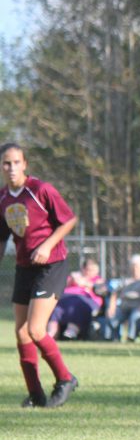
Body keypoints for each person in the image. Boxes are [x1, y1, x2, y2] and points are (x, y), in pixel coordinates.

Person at [0, 142, 80, 407]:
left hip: (51, 265)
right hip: (25, 267)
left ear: (25, 164)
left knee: (36, 330)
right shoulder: (3, 199)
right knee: (21, 333)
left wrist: (46, 245)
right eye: (6, 163)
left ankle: (65, 379)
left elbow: (69, 220)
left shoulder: (40, 190)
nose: (11, 168)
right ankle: (35, 395)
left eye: (16, 162)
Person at [103, 254, 140, 341]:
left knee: (135, 316)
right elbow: (115, 293)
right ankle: (112, 339)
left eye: (137, 266)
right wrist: (111, 307)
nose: (135, 268)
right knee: (112, 315)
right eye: (133, 266)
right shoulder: (126, 279)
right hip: (124, 306)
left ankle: (131, 338)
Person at [47, 258, 104, 339]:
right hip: (64, 299)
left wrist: (84, 283)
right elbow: (61, 286)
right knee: (55, 308)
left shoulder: (98, 280)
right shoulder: (75, 276)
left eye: (94, 270)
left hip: (84, 300)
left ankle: (72, 331)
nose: (91, 272)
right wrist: (73, 280)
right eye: (89, 269)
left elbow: (100, 289)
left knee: (77, 304)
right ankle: (51, 333)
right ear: (83, 269)